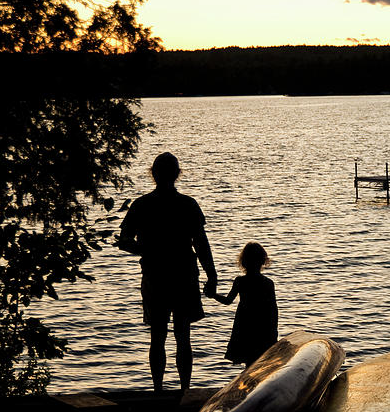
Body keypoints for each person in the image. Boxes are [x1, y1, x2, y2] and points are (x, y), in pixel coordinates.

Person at [117, 152, 217, 392]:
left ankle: (158, 390)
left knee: (158, 335)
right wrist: (212, 275)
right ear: (177, 174)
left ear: (153, 174)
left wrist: (144, 249)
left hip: (156, 276)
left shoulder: (142, 205)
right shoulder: (187, 204)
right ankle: (184, 390)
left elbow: (124, 240)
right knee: (183, 336)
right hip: (183, 275)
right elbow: (201, 243)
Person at [207, 242, 278, 368]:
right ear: (263, 261)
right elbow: (273, 309)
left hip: (244, 324)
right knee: (261, 361)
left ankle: (247, 385)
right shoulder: (268, 283)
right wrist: (274, 331)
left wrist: (214, 295)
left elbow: (228, 301)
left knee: (249, 361)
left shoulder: (240, 281)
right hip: (262, 324)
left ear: (244, 262)